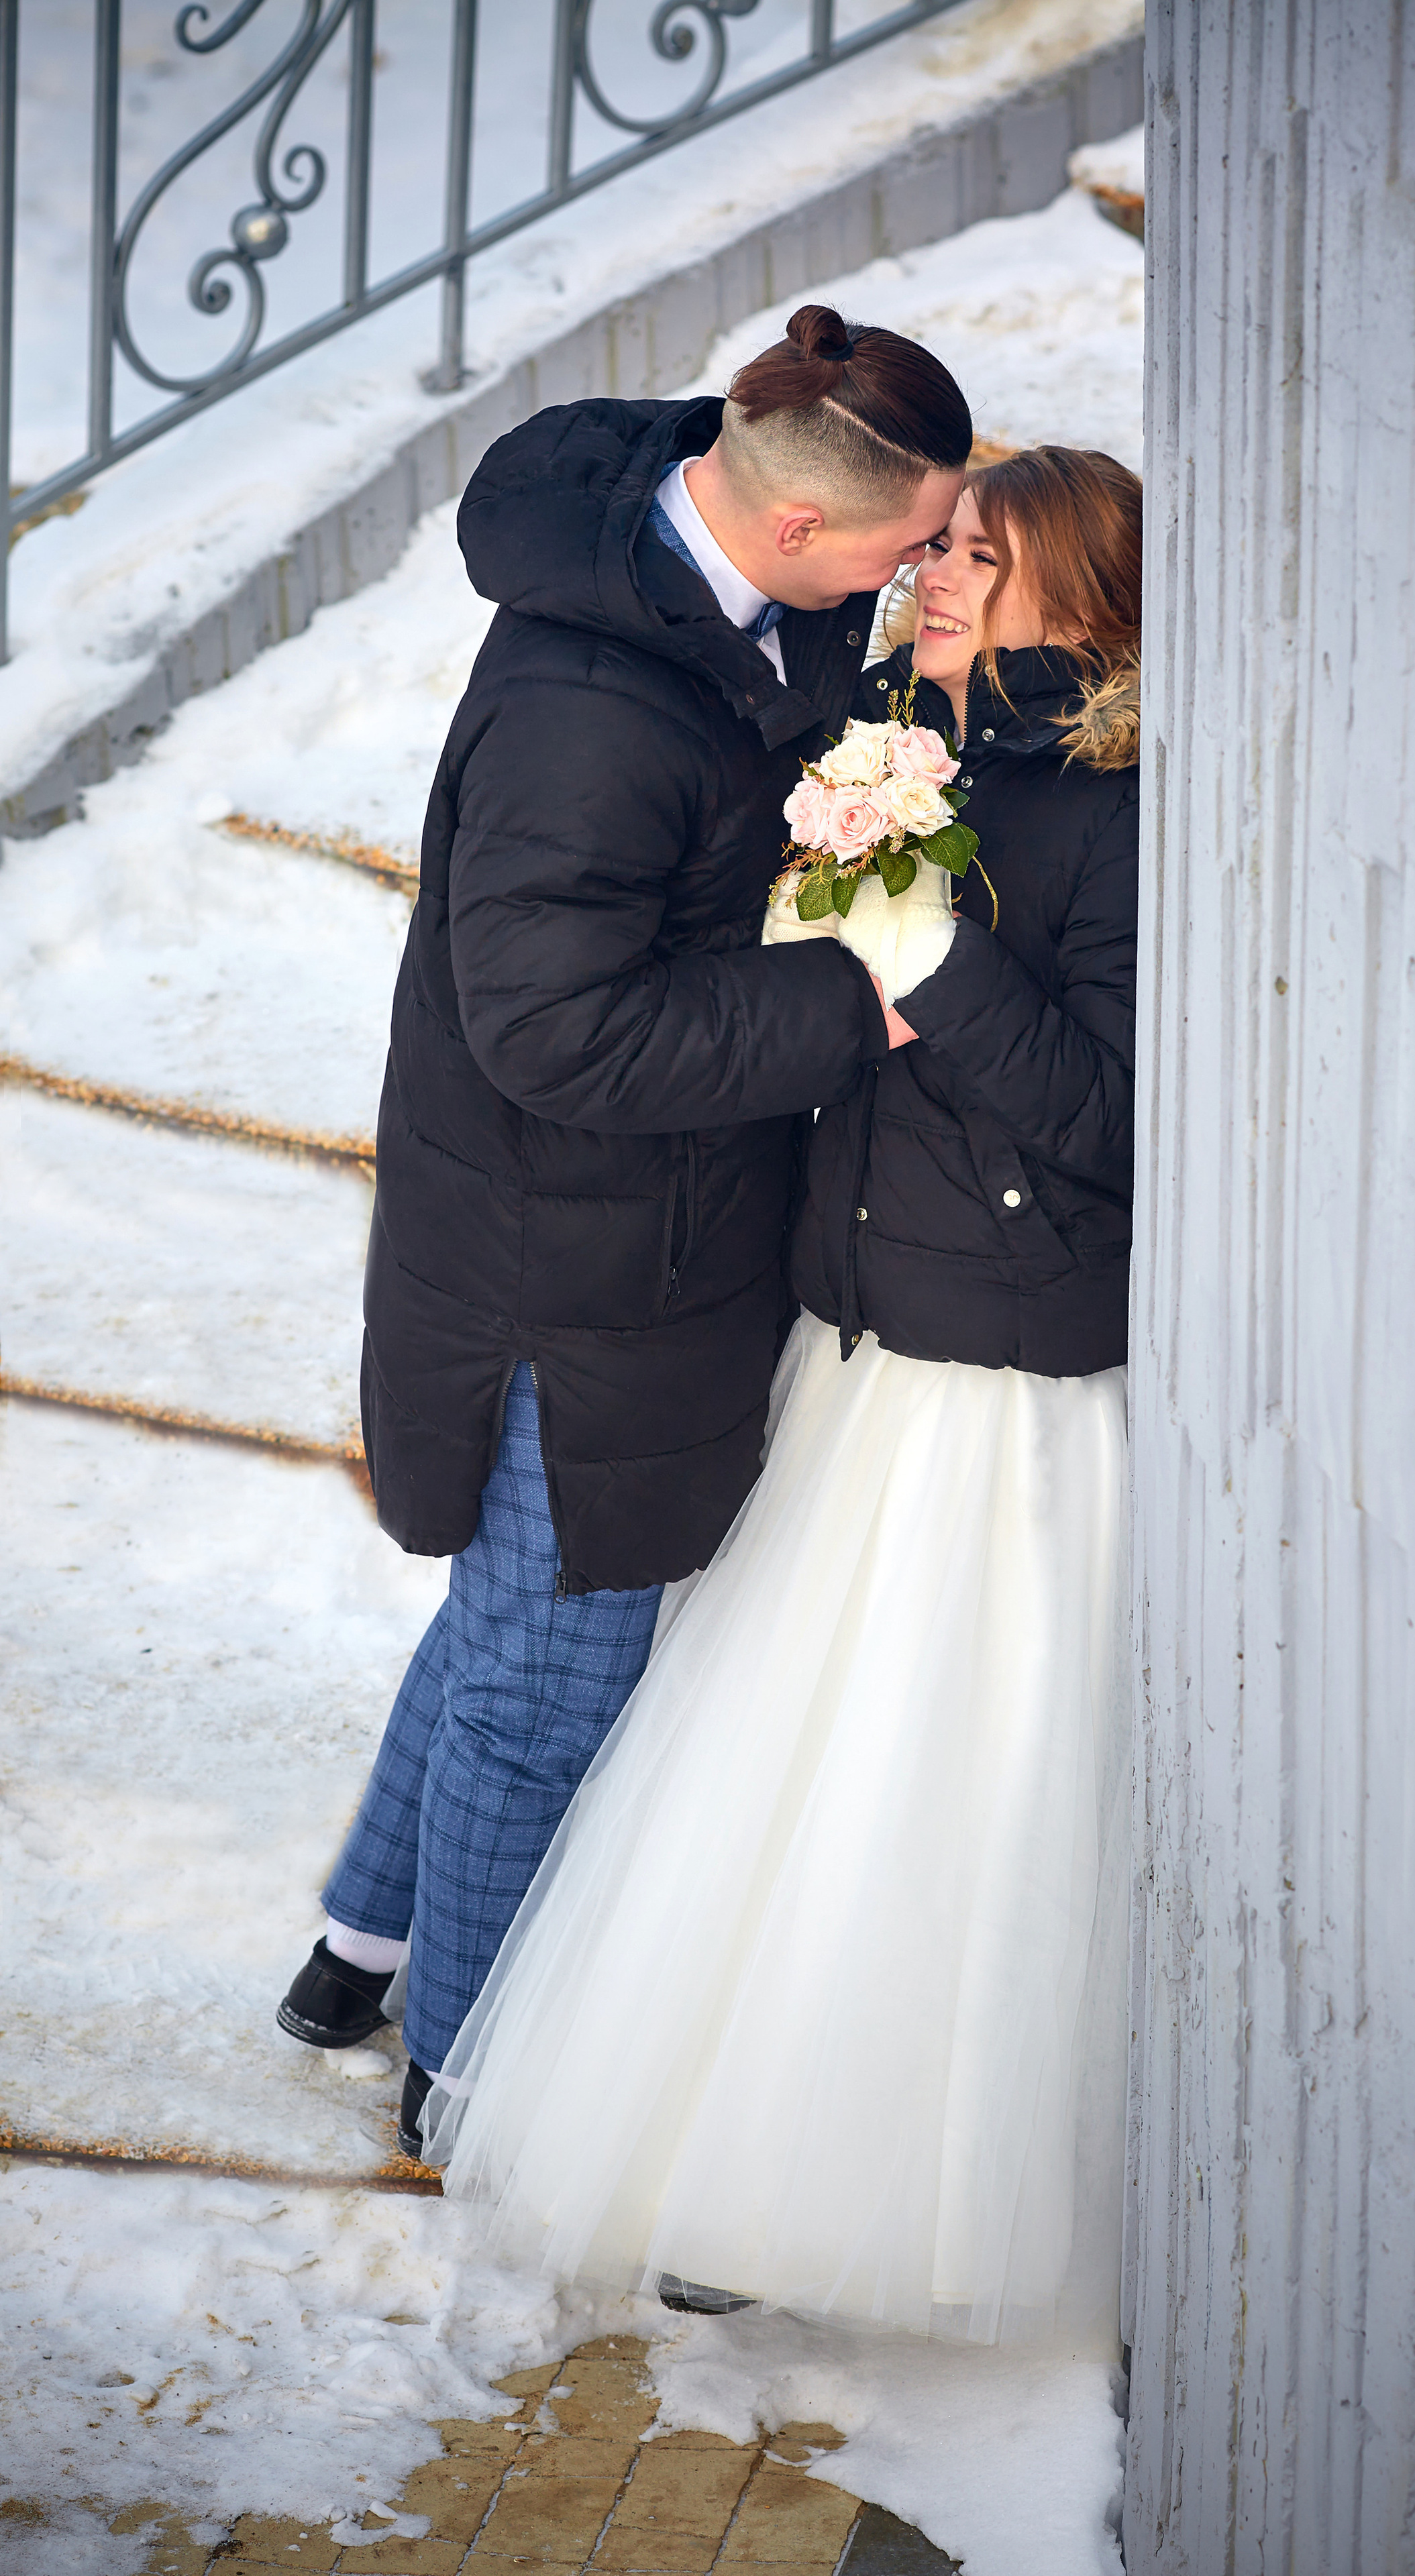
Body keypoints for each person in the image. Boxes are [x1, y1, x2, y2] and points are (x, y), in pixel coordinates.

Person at [423, 445, 1144, 2347]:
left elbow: (1112, 1121)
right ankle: (717, 2158)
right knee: (754, 1771)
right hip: (837, 1341)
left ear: (1082, 594)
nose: (938, 576)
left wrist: (920, 955)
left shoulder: (1127, 807)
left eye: (982, 556)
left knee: (930, 1792)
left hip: (995, 1383)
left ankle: (866, 2195)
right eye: (938, 543)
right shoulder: (903, 733)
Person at [274, 309, 972, 2158]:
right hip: (561, 1270)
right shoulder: (593, 715)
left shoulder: (724, 552)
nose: (921, 582)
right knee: (553, 1667)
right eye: (915, 548)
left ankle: (359, 1948)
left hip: (616, 1236)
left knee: (514, 1611)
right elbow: (554, 1032)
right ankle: (472, 2081)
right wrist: (850, 1008)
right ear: (806, 534)